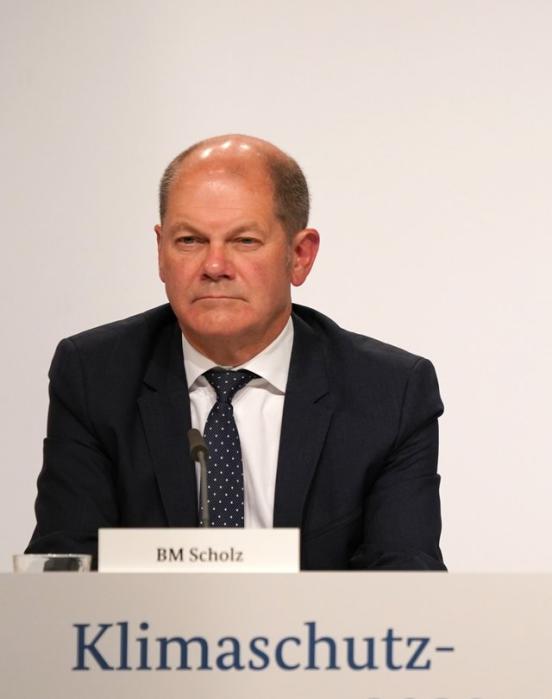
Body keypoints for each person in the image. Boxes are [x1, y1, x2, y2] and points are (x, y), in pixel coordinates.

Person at [27, 135, 446, 570]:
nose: (213, 267)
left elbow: (404, 582)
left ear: (299, 256)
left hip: (313, 636)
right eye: (189, 240)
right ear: (160, 252)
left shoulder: (388, 392)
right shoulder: (95, 376)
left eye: (244, 241)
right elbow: (64, 572)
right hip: (149, 634)